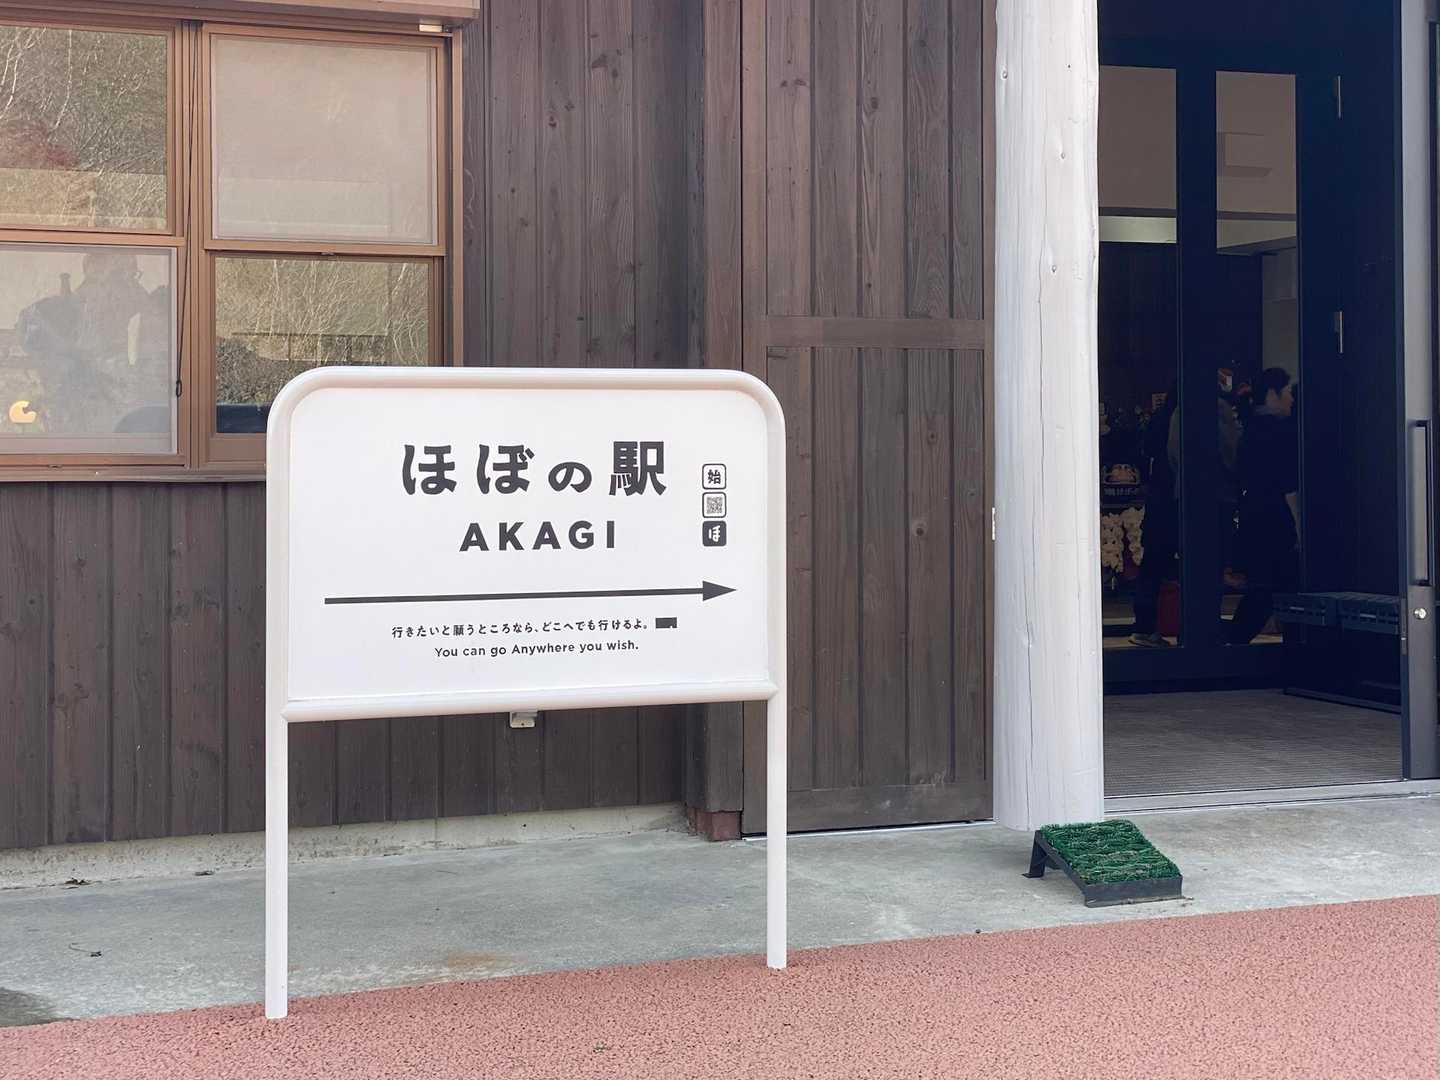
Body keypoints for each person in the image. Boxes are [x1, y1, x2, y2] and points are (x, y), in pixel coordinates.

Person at [1227, 367, 1300, 644]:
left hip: (1254, 515)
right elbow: (1288, 483)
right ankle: (1234, 640)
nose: (1291, 399)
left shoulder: (1249, 430)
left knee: (1266, 586)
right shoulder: (1278, 432)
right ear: (1272, 394)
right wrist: (1298, 525)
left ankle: (1233, 640)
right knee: (1275, 586)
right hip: (1273, 518)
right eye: (1287, 393)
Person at [1129, 384, 1180, 647]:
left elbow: (1147, 451)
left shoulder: (1159, 419)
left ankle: (1144, 626)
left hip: (1158, 500)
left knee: (1152, 566)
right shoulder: (1183, 419)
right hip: (1174, 499)